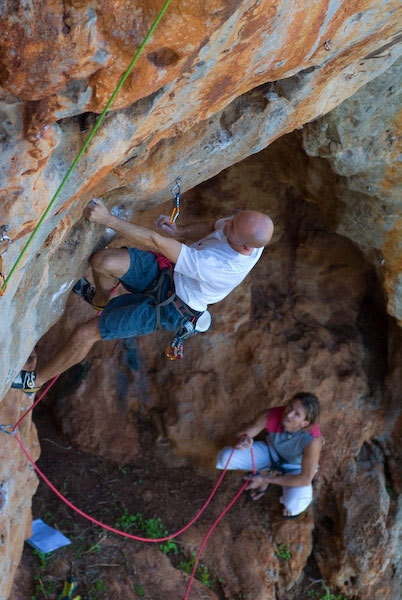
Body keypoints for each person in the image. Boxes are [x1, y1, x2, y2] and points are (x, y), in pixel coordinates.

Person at [12, 198, 274, 393]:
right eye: (232, 218)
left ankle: (35, 382)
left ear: (244, 246)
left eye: (231, 227)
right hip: (169, 274)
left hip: (174, 307)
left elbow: (156, 242)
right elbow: (213, 226)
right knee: (103, 261)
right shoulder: (245, 230)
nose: (226, 222)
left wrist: (108, 220)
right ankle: (100, 299)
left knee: (84, 333)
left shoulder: (221, 267)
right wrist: (180, 232)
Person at [216, 393, 322, 518]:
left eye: (296, 414)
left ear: (304, 423)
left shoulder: (313, 440)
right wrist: (241, 440)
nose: (288, 414)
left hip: (295, 467)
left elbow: (305, 479)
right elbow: (240, 434)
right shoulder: (270, 415)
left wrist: (265, 480)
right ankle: (270, 471)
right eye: (290, 407)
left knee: (294, 506)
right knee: (224, 457)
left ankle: (270, 476)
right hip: (271, 452)